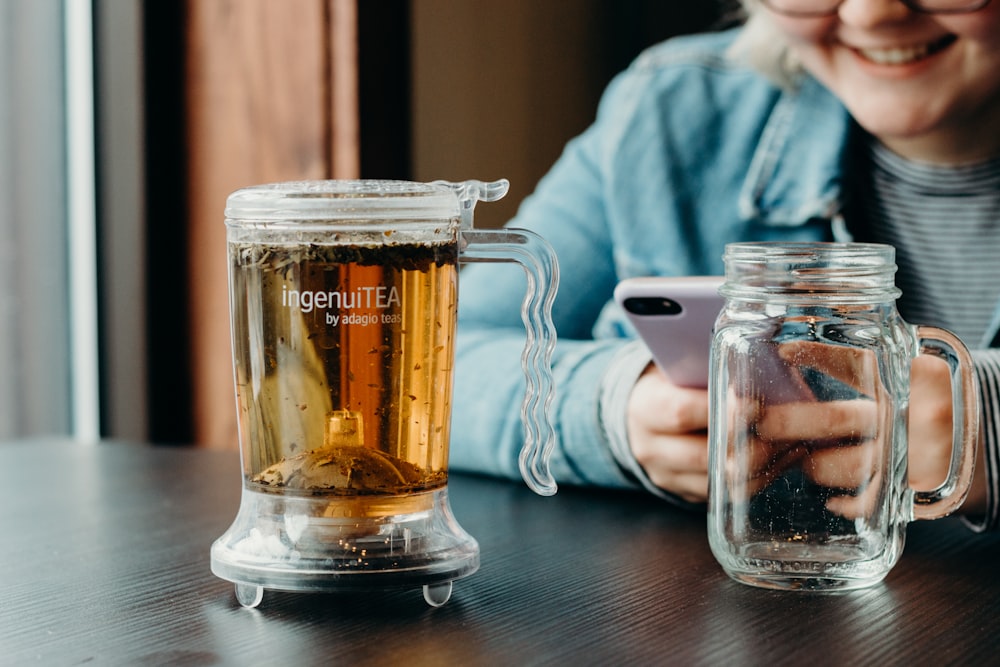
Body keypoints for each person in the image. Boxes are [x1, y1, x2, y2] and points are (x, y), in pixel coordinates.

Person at [449, 0, 1000, 531]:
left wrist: (992, 426)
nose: (871, 12)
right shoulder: (672, 108)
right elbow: (440, 360)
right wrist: (614, 411)